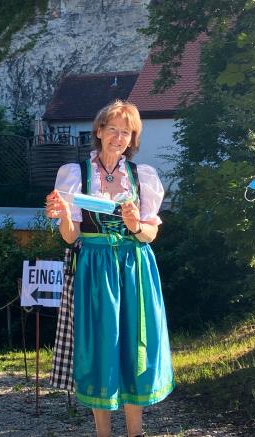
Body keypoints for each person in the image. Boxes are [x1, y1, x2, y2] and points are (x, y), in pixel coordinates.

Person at [45, 100, 172, 437]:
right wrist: (61, 215)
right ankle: (103, 433)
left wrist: (134, 225)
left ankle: (136, 432)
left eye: (126, 132)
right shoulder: (76, 175)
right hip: (96, 270)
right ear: (99, 131)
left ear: (132, 139)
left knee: (135, 346)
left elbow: (151, 234)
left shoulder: (143, 177)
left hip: (135, 270)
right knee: (101, 347)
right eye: (113, 129)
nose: (119, 137)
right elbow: (72, 237)